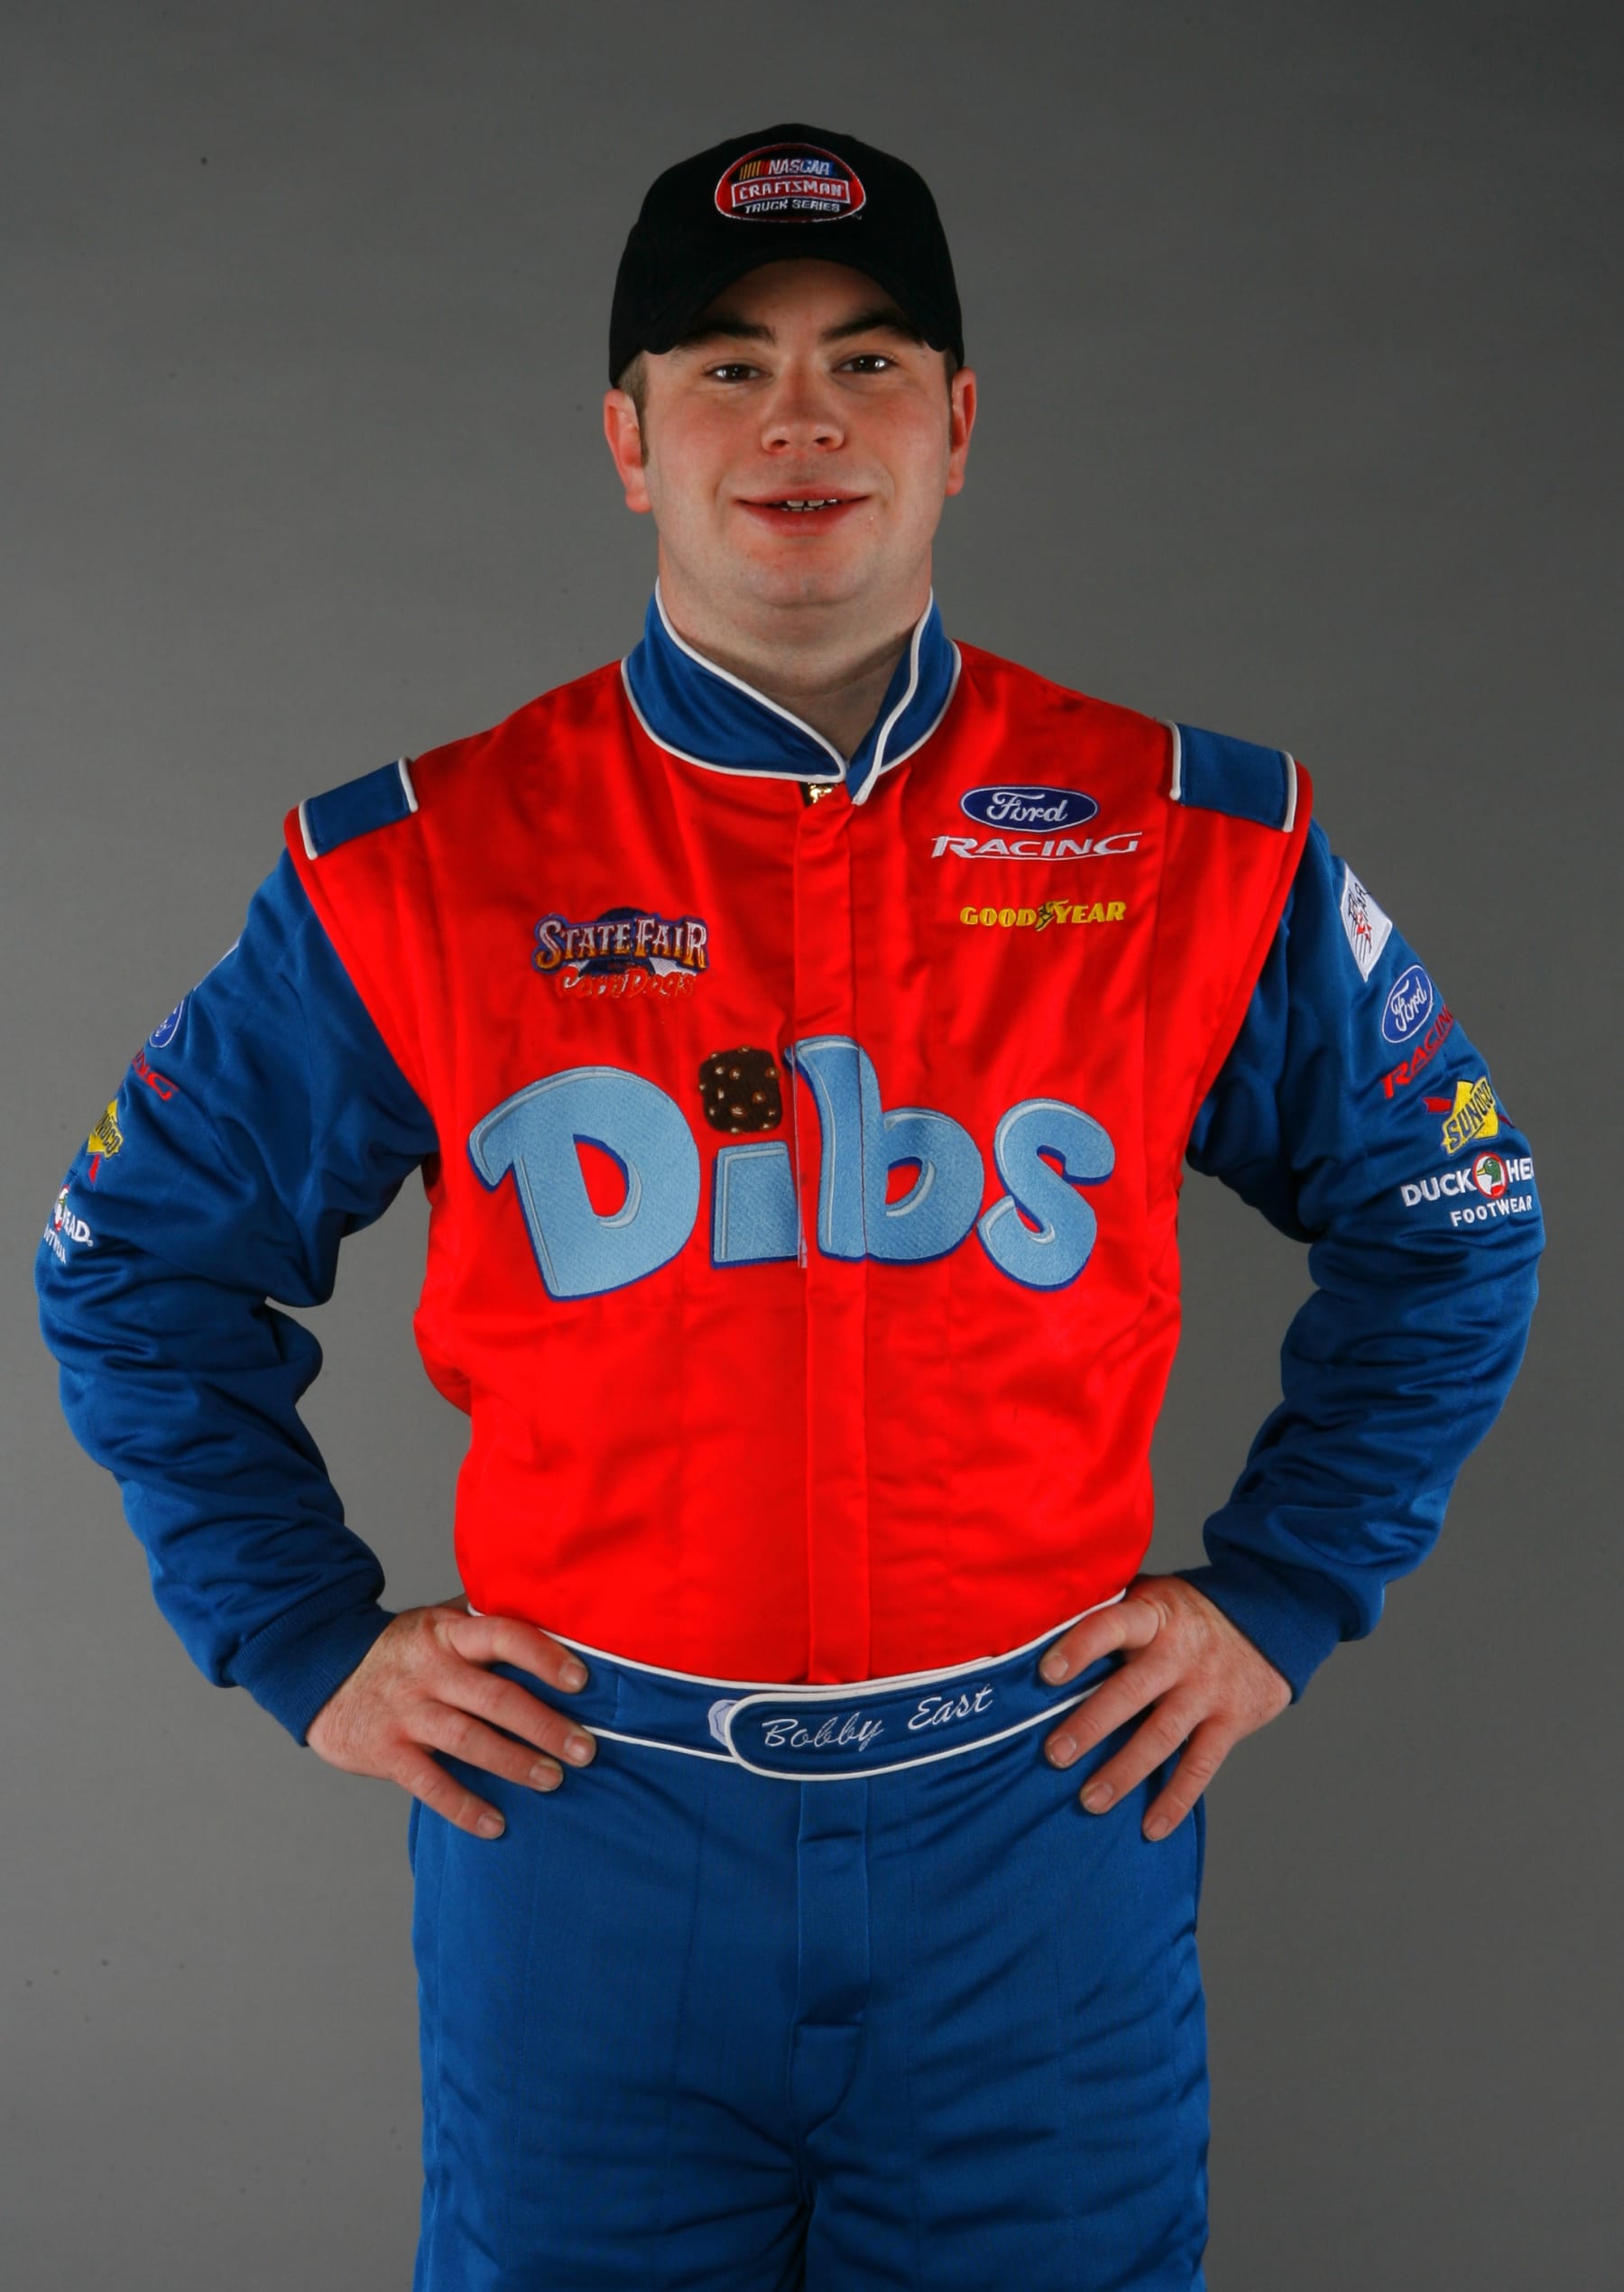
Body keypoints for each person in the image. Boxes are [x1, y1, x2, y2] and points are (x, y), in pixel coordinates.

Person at [36, 122, 1543, 2291]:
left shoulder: (1193, 837)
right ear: (628, 438)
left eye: (867, 357)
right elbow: (135, 1264)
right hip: (586, 1837)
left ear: (960, 424)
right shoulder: (424, 864)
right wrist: (299, 1634)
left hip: (1041, 1830)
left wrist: (1284, 1590)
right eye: (728, 366)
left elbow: (1457, 1204)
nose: (802, 417)